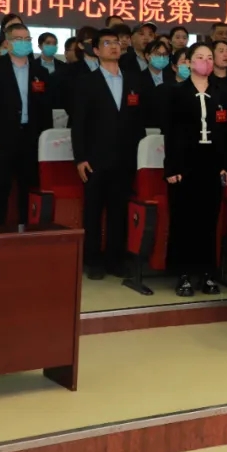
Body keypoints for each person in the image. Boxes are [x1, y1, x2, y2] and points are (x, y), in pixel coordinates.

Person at [72, 29, 146, 279]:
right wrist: (80, 158)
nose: (114, 46)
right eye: (107, 43)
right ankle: (92, 260)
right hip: (95, 158)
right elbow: (78, 124)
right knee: (93, 210)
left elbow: (138, 122)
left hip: (125, 158)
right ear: (95, 50)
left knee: (119, 210)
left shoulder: (134, 80)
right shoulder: (86, 82)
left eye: (116, 42)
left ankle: (115, 259)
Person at [163, 42, 227, 296]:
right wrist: (172, 167)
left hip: (212, 164)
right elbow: (170, 133)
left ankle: (207, 274)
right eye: (200, 57)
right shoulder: (176, 92)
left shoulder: (222, 92)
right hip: (185, 164)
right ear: (189, 62)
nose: (206, 61)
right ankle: (183, 274)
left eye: (209, 57)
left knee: (208, 221)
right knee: (184, 220)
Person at [0, 23, 53, 226]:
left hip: (31, 136)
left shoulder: (39, 71)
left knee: (29, 187)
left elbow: (45, 107)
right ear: (8, 43)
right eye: (18, 39)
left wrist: (45, 136)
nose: (23, 43)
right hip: (3, 135)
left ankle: (27, 229)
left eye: (27, 39)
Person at [138, 39, 175, 129]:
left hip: (169, 126)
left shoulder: (173, 78)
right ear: (147, 56)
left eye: (164, 54)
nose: (161, 57)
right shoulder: (138, 79)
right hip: (147, 126)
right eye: (158, 54)